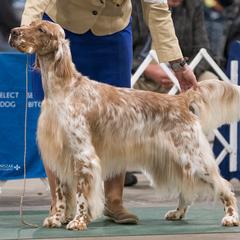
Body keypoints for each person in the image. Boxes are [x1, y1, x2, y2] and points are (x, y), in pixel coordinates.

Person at [21, 0, 197, 225]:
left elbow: (157, 8)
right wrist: (29, 34)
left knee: (116, 120)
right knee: (56, 124)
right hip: (63, 28)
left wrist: (178, 65)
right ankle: (60, 204)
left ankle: (114, 201)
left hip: (113, 29)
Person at [134, 0, 218, 93]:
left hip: (178, 72)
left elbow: (203, 50)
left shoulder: (194, 5)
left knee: (210, 82)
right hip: (140, 74)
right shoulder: (134, 4)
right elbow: (120, 52)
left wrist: (185, 70)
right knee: (122, 86)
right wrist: (146, 69)